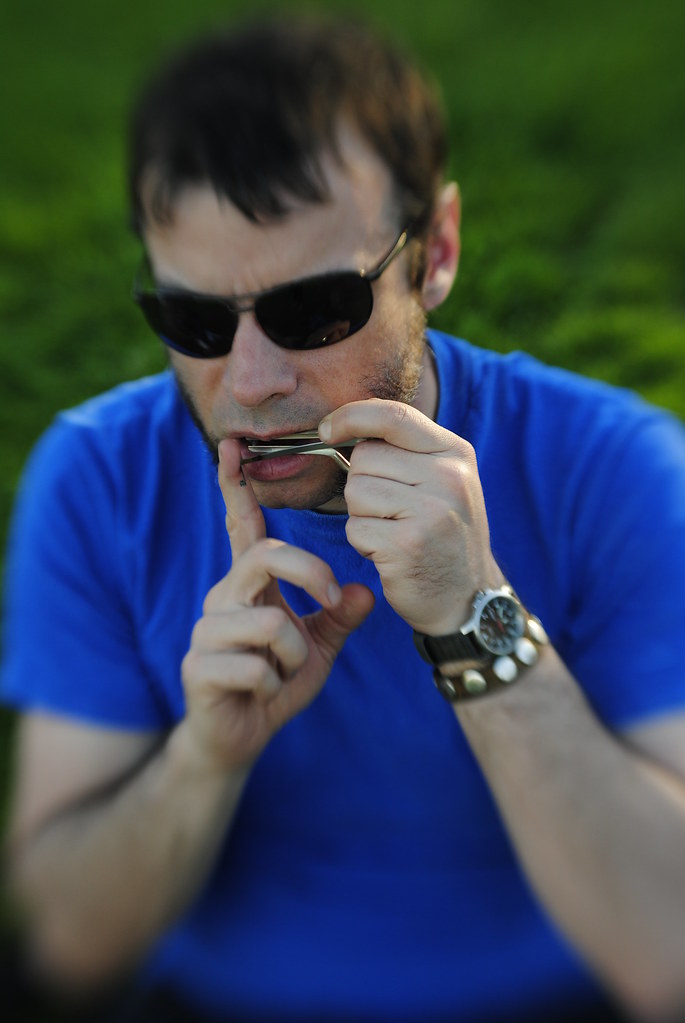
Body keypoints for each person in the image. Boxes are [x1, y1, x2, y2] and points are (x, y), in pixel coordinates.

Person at [3, 14, 685, 1023]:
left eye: (314, 310)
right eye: (193, 322)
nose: (250, 382)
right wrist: (203, 758)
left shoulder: (614, 467)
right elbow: (69, 949)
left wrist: (475, 619)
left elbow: (664, 953)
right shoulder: (99, 479)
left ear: (437, 254)